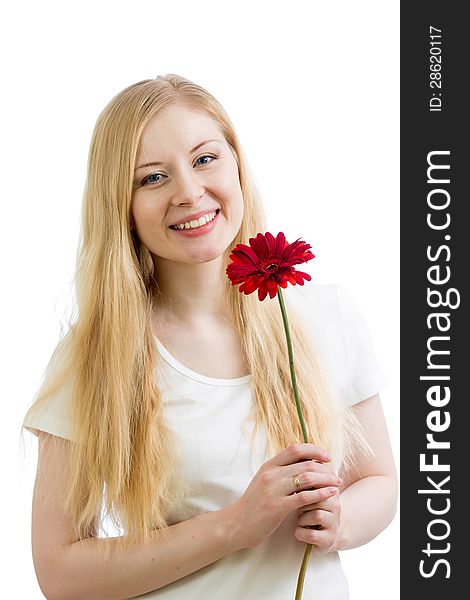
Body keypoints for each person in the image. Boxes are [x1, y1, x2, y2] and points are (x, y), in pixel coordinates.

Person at [22, 74, 397, 599]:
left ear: (237, 164)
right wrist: (234, 526)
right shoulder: (96, 354)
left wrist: (342, 520)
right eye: (152, 178)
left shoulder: (325, 315)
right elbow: (61, 573)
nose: (189, 192)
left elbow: (378, 482)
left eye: (204, 159)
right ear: (120, 207)